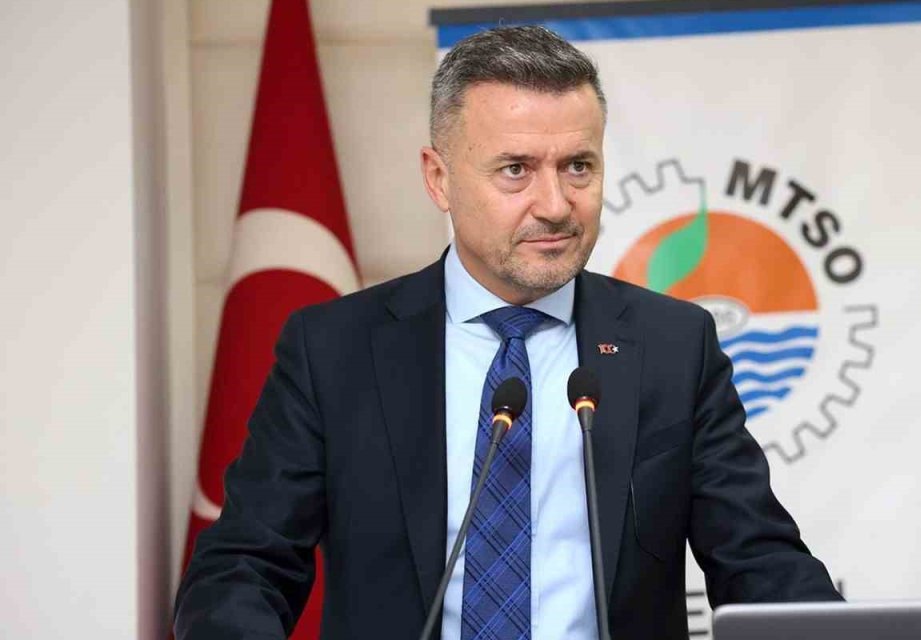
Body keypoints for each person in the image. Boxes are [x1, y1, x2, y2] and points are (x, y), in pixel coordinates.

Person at [175, 25, 840, 640]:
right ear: (439, 178)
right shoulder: (333, 351)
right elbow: (243, 568)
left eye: (578, 166)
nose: (555, 205)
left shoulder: (674, 346)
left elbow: (760, 563)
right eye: (516, 169)